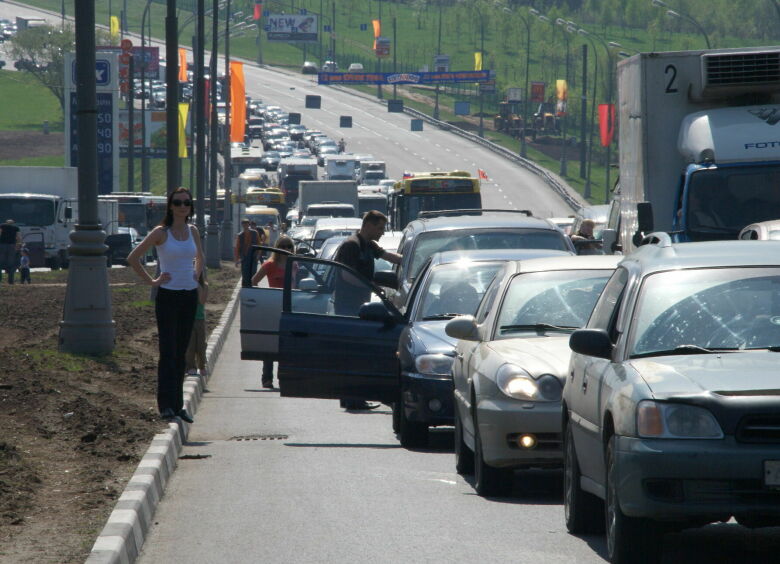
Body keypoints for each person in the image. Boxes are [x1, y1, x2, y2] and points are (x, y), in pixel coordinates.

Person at [128, 188, 204, 423]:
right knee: (168, 351)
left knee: (181, 352)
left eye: (187, 203)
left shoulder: (193, 231)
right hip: (168, 297)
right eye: (178, 202)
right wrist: (153, 281)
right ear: (170, 206)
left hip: (189, 295)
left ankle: (178, 405)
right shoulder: (161, 232)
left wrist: (195, 276)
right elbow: (133, 258)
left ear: (191, 207)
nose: (183, 206)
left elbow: (200, 256)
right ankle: (165, 406)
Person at [333, 210, 402, 410]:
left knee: (356, 353)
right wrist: (372, 286)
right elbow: (347, 276)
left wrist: (412, 260)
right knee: (352, 354)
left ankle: (353, 397)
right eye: (379, 228)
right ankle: (352, 398)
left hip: (360, 307)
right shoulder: (351, 245)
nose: (382, 232)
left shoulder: (367, 245)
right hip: (348, 307)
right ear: (369, 225)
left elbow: (388, 256)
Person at [251, 235, 296, 389]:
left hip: (289, 307)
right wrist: (263, 296)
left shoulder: (294, 264)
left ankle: (284, 378)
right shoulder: (270, 265)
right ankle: (267, 378)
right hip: (272, 306)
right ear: (277, 247)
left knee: (287, 344)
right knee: (270, 343)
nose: (286, 249)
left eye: (289, 246)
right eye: (282, 246)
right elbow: (254, 281)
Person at [185, 269, 209, 378]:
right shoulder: (185, 285)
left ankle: (202, 366)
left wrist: (197, 285)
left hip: (199, 319)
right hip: (188, 319)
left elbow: (202, 301)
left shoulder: (204, 285)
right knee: (190, 345)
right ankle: (191, 367)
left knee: (201, 345)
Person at [234, 219, 263, 287]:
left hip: (253, 256)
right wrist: (237, 260)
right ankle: (246, 286)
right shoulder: (240, 235)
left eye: (246, 223)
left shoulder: (255, 233)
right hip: (244, 257)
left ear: (248, 224)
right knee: (245, 273)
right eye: (244, 223)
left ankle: (253, 285)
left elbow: (259, 244)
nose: (245, 225)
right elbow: (237, 248)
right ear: (242, 225)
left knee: (253, 272)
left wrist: (258, 254)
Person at [0, 218, 22, 284]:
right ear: (13, 223)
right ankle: (10, 279)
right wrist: (19, 244)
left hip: (2, 245)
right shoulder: (16, 228)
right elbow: (18, 237)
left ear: (6, 222)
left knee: (1, 260)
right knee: (11, 262)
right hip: (12, 246)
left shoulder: (2, 226)